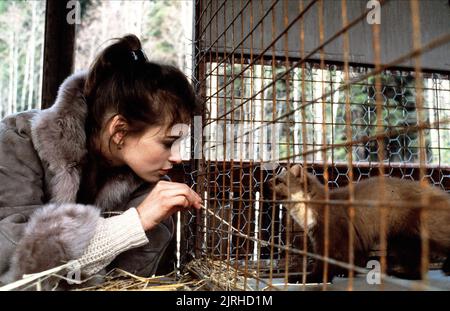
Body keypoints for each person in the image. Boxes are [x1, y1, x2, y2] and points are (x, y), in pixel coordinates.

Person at [0, 34, 202, 290]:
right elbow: (9, 262)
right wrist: (132, 225)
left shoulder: (152, 191)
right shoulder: (18, 139)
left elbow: (129, 282)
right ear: (119, 130)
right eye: (167, 142)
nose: (177, 156)